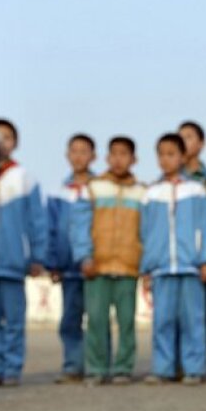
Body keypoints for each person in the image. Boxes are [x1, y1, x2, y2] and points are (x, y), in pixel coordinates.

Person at [0, 118, 48, 388]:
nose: (1, 142)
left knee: (14, 321)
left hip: (14, 263)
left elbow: (38, 220)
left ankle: (13, 368)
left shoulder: (24, 178)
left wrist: (38, 256)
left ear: (15, 143)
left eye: (7, 137)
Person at [140, 134, 206, 384]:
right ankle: (164, 368)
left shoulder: (196, 191)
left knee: (192, 320)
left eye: (171, 154)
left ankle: (193, 368)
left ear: (183, 157)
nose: (165, 159)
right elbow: (146, 233)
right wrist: (147, 268)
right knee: (162, 320)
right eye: (161, 154)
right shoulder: (151, 193)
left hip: (190, 266)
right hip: (162, 268)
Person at [73, 136, 146, 385]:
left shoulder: (142, 192)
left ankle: (123, 367)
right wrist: (85, 256)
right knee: (95, 320)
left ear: (134, 159)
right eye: (114, 154)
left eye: (124, 154)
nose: (118, 159)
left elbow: (146, 231)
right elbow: (80, 226)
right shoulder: (94, 188)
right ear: (106, 158)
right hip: (98, 266)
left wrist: (143, 263)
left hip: (128, 266)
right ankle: (96, 367)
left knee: (126, 321)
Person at [48, 133, 96, 383]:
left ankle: (97, 365)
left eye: (84, 151)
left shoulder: (99, 188)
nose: (78, 156)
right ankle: (73, 366)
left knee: (96, 319)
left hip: (95, 266)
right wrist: (53, 262)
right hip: (68, 267)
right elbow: (52, 227)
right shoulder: (59, 192)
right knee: (70, 320)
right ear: (67, 156)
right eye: (74, 151)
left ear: (93, 156)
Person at [180, 120, 206, 360]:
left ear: (202, 143)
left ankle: (197, 360)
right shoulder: (165, 182)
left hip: (202, 259)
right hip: (176, 258)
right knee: (174, 314)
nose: (184, 142)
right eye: (180, 137)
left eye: (189, 137)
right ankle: (175, 363)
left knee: (199, 312)